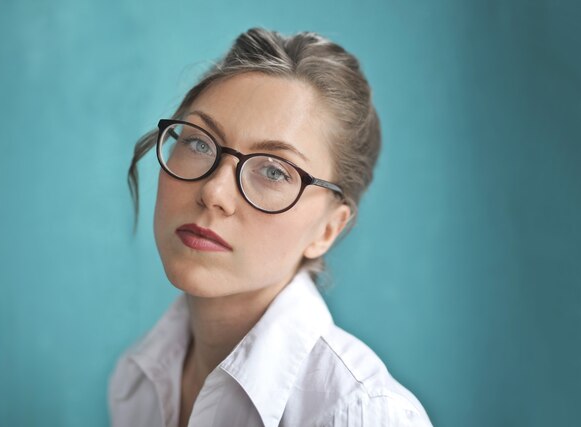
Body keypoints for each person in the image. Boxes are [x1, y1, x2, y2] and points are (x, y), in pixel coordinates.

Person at [108, 27, 433, 427]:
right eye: (198, 143)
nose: (215, 192)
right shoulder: (136, 380)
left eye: (274, 171)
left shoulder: (361, 414)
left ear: (327, 230)